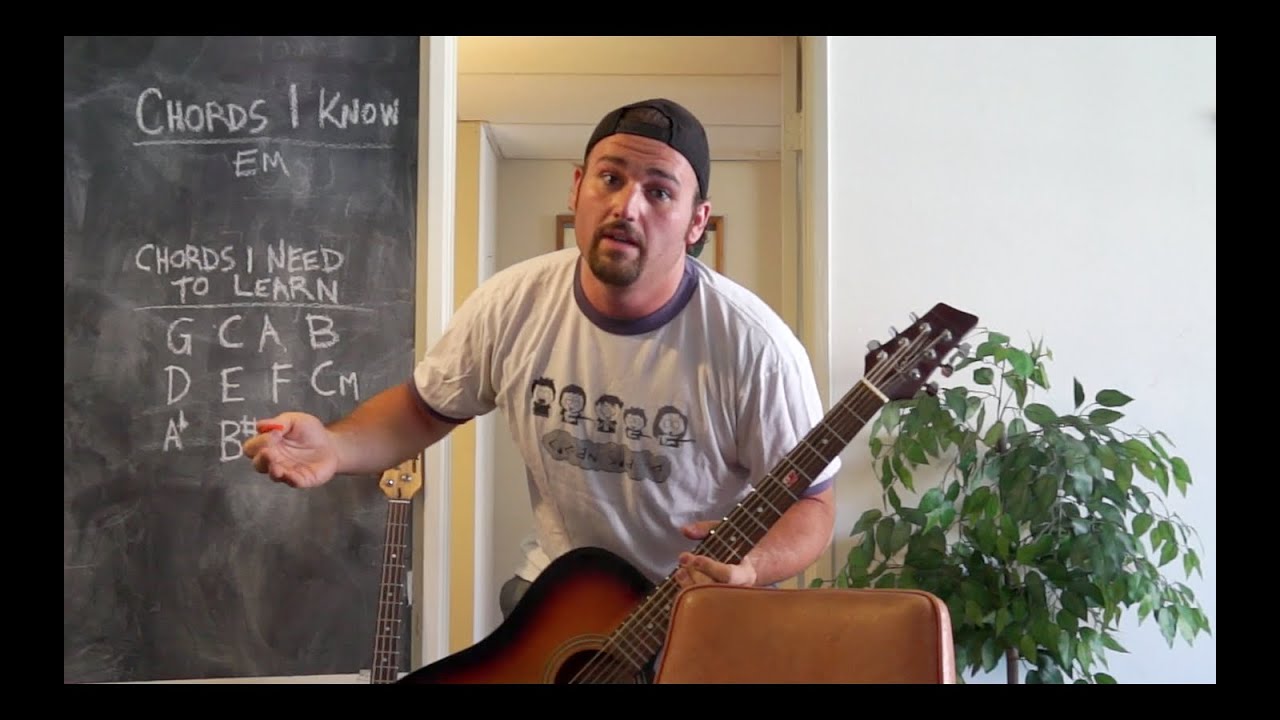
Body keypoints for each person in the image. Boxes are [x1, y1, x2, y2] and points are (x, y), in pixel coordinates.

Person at [243, 97, 840, 629]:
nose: (627, 206)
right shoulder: (512, 302)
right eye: (610, 178)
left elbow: (812, 503)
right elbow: (422, 412)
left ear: (696, 222)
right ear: (577, 188)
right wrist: (335, 446)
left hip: (692, 607)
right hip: (559, 598)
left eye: (660, 192)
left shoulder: (756, 348)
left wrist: (754, 565)